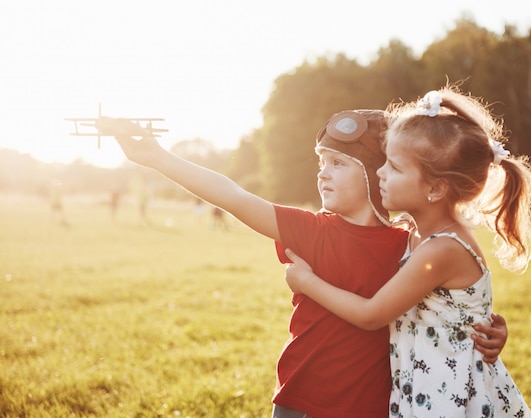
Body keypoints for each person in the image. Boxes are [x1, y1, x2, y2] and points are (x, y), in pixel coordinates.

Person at [101, 106, 507, 418]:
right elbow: (234, 196)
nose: (323, 174)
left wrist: (487, 329)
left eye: (338, 163)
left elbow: (447, 300)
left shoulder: (410, 243)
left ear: (373, 173)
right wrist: (156, 158)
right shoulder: (310, 232)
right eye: (321, 163)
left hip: (375, 405)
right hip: (304, 398)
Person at [285, 86, 531, 417]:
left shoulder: (443, 249)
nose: (380, 172)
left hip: (448, 397)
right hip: (420, 387)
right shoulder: (414, 232)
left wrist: (305, 281)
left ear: (436, 188)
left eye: (393, 168)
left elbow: (372, 315)